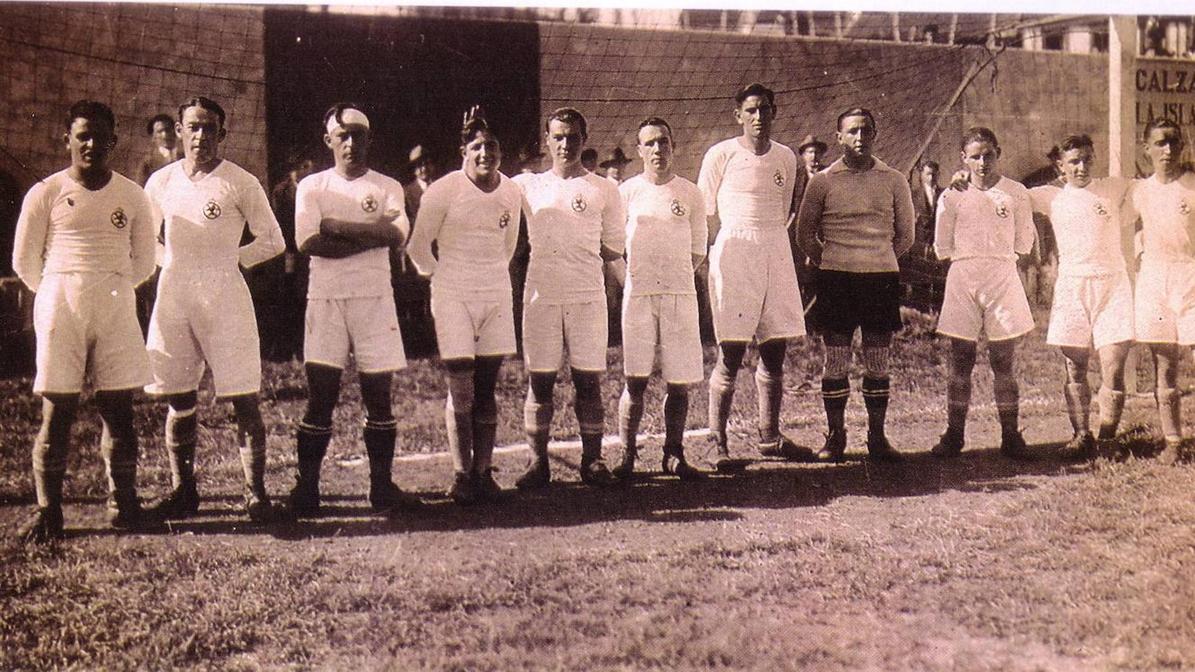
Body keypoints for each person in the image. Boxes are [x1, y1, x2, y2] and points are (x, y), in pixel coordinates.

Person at [13, 100, 157, 543]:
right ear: (68, 140)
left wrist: (108, 286)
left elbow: (145, 262)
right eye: (83, 136)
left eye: (100, 137)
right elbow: (24, 261)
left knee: (119, 411)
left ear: (114, 140)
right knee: (57, 411)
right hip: (61, 302)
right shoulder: (45, 192)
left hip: (115, 301)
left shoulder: (132, 195)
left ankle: (123, 501)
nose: (92, 144)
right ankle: (48, 510)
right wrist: (63, 292)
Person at [143, 96, 286, 522]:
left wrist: (233, 259)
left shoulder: (240, 182)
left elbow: (273, 240)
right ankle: (183, 490)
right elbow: (144, 239)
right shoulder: (160, 182)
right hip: (175, 294)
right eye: (193, 127)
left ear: (222, 134)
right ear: (180, 132)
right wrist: (167, 261)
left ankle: (255, 493)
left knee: (243, 397)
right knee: (179, 397)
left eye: (210, 128)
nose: (201, 136)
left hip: (225, 295)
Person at [286, 103, 421, 516]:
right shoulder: (312, 186)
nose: (350, 143)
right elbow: (309, 241)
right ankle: (307, 490)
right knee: (320, 396)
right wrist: (373, 234)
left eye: (357, 135)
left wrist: (339, 226)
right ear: (329, 141)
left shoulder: (387, 186)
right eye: (341, 136)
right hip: (326, 300)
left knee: (378, 397)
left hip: (375, 299)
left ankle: (382, 488)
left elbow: (397, 235)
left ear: (368, 139)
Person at [408, 107, 524, 505]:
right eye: (476, 146)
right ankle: (461, 474)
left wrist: (487, 276)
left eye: (491, 146)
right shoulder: (444, 189)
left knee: (488, 386)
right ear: (463, 150)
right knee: (461, 386)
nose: (484, 153)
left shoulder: (511, 190)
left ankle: (483, 471)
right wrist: (443, 279)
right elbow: (418, 246)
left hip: (494, 293)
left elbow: (508, 247)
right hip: (453, 293)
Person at [698, 82, 811, 470]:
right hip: (736, 251)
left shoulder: (785, 157)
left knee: (774, 349)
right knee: (730, 351)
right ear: (738, 116)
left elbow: (782, 211)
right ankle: (717, 440)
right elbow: (703, 211)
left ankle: (769, 436)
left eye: (765, 109)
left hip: (774, 248)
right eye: (751, 111)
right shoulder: (721, 154)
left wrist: (769, 243)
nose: (758, 117)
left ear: (774, 112)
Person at [512, 107, 626, 489]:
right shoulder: (525, 186)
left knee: (588, 381)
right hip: (542, 294)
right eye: (558, 137)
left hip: (587, 295)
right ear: (547, 141)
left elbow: (612, 250)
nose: (565, 144)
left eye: (573, 137)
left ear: (584, 140)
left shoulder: (603, 189)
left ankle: (592, 460)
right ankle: (537, 462)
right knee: (540, 381)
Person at [796, 107, 915, 462]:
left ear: (874, 134)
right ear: (839, 138)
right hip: (837, 280)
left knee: (877, 361)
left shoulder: (894, 179)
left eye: (865, 131)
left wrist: (875, 258)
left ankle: (877, 438)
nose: (859, 138)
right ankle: (836, 437)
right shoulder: (823, 181)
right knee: (836, 361)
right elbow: (805, 235)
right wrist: (836, 259)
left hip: (879, 279)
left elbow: (905, 236)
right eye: (852, 132)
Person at [1026, 134, 1135, 460]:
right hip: (1073, 287)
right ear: (1060, 166)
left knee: (1113, 369)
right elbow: (1004, 192)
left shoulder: (1113, 188)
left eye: (1087, 158)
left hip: (1112, 285)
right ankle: (1081, 435)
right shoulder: (1050, 196)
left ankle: (1107, 439)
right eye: (1074, 161)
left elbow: (1157, 187)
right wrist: (963, 179)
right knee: (1075, 368)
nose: (1082, 166)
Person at [612, 117, 708, 481]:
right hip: (639, 296)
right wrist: (630, 281)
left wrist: (675, 276)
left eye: (663, 142)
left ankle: (674, 452)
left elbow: (698, 249)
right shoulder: (626, 192)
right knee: (635, 380)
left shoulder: (690, 192)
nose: (657, 150)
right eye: (649, 143)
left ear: (673, 146)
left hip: (679, 295)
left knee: (678, 380)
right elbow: (611, 247)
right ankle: (627, 454)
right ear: (639, 151)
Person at [931, 127, 1036, 460]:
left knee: (1003, 361)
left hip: (1002, 275)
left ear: (998, 153)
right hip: (964, 275)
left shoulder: (1016, 192)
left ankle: (1011, 436)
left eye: (988, 154)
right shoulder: (952, 195)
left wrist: (999, 258)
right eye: (974, 156)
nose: (982, 162)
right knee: (960, 359)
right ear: (963, 158)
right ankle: (954, 435)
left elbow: (1024, 243)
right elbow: (941, 246)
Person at [1130, 118, 1195, 464]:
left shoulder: (1193, 185)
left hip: (1191, 277)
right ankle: (1173, 440)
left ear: (1182, 146)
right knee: (1165, 364)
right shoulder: (1138, 191)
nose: (1167, 150)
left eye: (1173, 142)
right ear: (1147, 148)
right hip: (1155, 278)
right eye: (1159, 143)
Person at [269, 151, 317, 361]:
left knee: (309, 297)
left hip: (312, 251)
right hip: (290, 251)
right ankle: (288, 347)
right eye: (296, 168)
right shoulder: (281, 191)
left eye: (304, 167)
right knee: (290, 297)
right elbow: (278, 222)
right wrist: (288, 250)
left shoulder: (315, 189)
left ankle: (308, 346)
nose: (299, 172)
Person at [135, 113, 182, 186]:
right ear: (153, 137)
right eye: (159, 132)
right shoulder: (148, 162)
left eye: (168, 130)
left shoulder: (185, 156)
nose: (165, 135)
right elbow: (141, 188)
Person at [913, 160, 943, 247]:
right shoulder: (912, 196)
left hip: (939, 242)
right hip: (919, 243)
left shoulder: (945, 194)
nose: (931, 178)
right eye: (928, 174)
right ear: (922, 175)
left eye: (934, 174)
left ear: (938, 175)